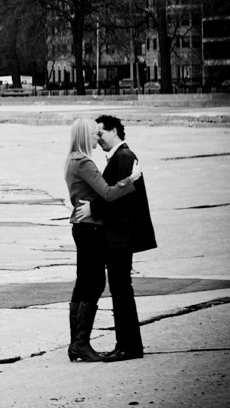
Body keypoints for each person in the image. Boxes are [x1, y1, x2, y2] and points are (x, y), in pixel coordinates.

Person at [64, 118, 141, 362]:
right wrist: (131, 179)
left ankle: (76, 343)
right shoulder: (84, 161)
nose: (96, 137)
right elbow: (108, 193)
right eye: (93, 133)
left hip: (81, 227)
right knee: (95, 283)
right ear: (84, 136)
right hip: (90, 229)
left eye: (100, 133)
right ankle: (81, 344)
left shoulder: (71, 160)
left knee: (83, 283)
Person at [91, 114, 157, 362]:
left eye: (101, 134)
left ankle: (128, 347)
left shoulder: (124, 157)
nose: (98, 140)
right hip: (119, 236)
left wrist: (94, 209)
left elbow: (120, 198)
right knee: (120, 291)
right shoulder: (122, 157)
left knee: (121, 291)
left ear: (115, 131)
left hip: (120, 237)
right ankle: (127, 345)